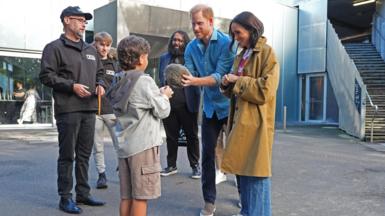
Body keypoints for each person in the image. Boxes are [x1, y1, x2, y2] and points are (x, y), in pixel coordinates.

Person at [39, 6, 106, 214]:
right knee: (68, 155)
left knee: (85, 154)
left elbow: (101, 73)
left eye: (85, 21)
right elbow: (46, 76)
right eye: (79, 20)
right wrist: (72, 86)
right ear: (67, 20)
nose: (84, 23)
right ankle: (65, 197)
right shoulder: (54, 48)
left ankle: (83, 193)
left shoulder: (91, 50)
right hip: (68, 109)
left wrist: (100, 84)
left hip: (89, 108)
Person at [220, 11, 280, 216]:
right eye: (233, 34)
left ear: (252, 29)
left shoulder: (267, 53)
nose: (235, 38)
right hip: (240, 124)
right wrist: (226, 84)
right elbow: (236, 91)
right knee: (244, 175)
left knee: (256, 177)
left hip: (256, 125)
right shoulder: (241, 55)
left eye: (238, 33)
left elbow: (266, 91)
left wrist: (238, 81)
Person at [110, 35, 173, 216]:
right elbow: (162, 111)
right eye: (146, 55)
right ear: (141, 58)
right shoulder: (144, 81)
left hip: (124, 146)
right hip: (143, 147)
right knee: (140, 197)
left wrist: (157, 96)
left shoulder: (118, 79)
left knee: (126, 197)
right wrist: (165, 95)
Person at [182, 4, 235, 216]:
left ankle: (243, 195)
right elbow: (187, 74)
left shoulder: (225, 43)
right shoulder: (190, 48)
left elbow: (219, 77)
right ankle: (209, 202)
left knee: (236, 154)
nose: (195, 28)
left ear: (211, 22)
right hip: (210, 109)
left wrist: (193, 81)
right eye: (193, 23)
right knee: (207, 156)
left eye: (199, 23)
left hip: (230, 107)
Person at [158, 31, 201, 179]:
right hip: (169, 104)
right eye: (175, 40)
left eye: (181, 41)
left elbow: (198, 78)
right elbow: (160, 78)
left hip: (188, 104)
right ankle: (171, 165)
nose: (177, 43)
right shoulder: (164, 58)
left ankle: (195, 166)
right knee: (171, 136)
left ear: (186, 43)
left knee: (192, 136)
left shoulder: (192, 58)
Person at [92, 31, 119, 189]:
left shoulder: (114, 63)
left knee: (119, 143)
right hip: (94, 110)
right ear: (95, 44)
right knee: (97, 145)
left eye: (107, 45)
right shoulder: (89, 60)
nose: (104, 48)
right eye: (101, 44)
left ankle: (122, 168)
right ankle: (101, 175)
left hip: (111, 110)